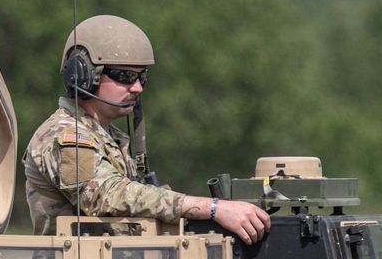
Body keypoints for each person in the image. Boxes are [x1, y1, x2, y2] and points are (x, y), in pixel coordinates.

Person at [22, 15, 270, 244]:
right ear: (84, 75)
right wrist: (213, 209)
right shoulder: (62, 136)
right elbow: (106, 195)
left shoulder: (108, 136)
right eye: (125, 76)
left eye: (142, 77)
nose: (138, 88)